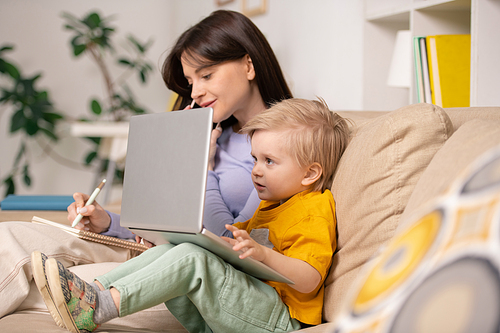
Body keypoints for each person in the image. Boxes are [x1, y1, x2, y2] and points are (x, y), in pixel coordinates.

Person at [0, 9, 291, 318]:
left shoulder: (282, 146)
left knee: (41, 281)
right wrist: (109, 222)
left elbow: (228, 245)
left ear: (248, 65)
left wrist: (202, 167)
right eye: (191, 81)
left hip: (187, 268)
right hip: (150, 250)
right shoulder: (212, 132)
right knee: (10, 237)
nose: (196, 92)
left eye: (206, 75)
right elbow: (168, 223)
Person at [32, 98, 351, 332]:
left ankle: (98, 307)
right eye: (255, 159)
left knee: (192, 258)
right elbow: (227, 250)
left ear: (310, 174)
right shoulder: (273, 205)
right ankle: (93, 293)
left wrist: (264, 257)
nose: (255, 171)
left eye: (269, 161)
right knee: (178, 248)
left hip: (280, 320)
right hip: (241, 311)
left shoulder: (313, 210)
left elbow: (310, 280)